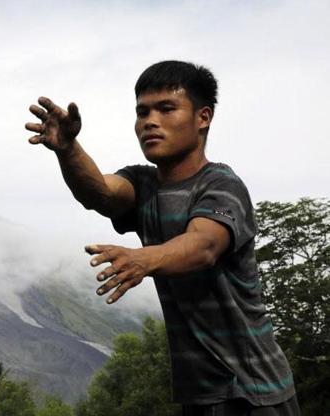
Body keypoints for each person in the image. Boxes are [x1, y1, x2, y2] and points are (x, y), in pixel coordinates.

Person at [25, 61, 300, 415]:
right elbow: (101, 193)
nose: (149, 121)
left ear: (203, 117)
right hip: (199, 396)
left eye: (166, 108)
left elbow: (204, 246)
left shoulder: (221, 185)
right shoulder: (143, 184)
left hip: (254, 393)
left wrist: (142, 258)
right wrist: (68, 148)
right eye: (142, 112)